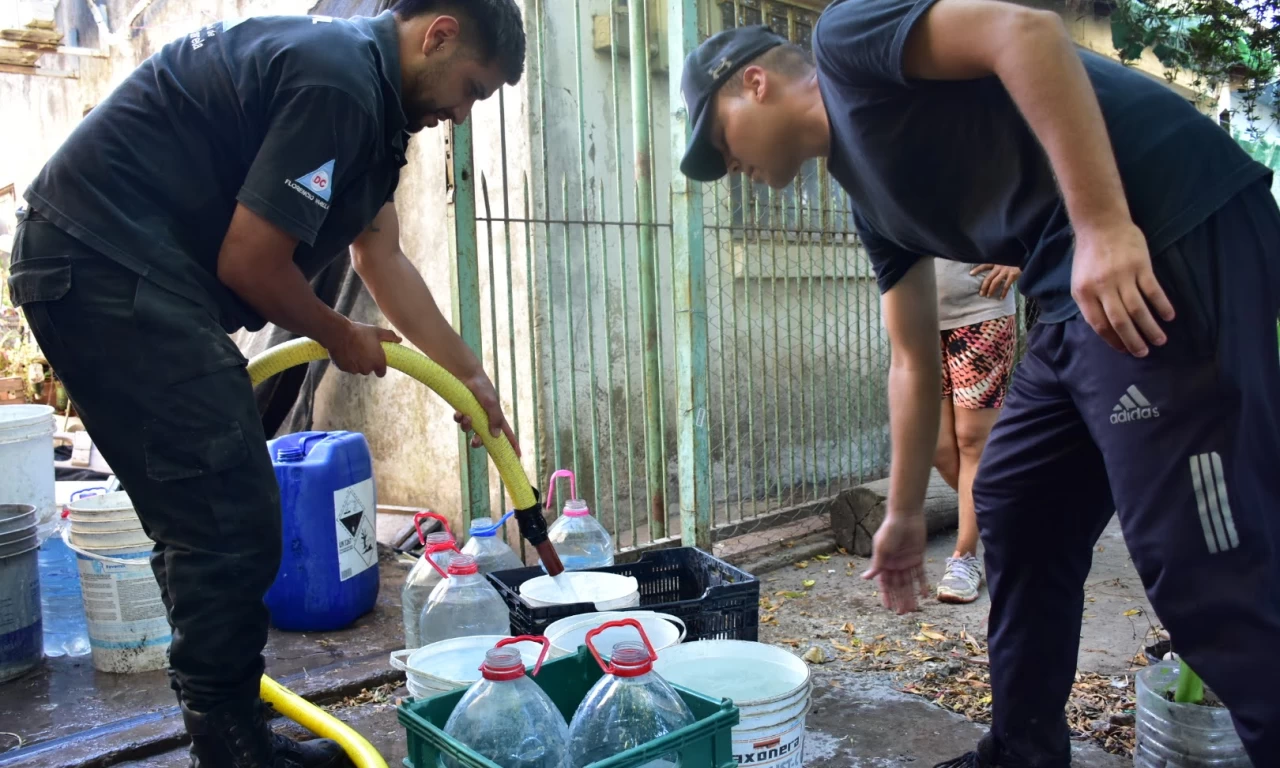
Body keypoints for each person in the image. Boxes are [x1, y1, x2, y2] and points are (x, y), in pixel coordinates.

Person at [675, 0, 1280, 764]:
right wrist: (899, 516)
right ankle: (1022, 750)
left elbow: (1024, 33)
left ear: (755, 83)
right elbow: (910, 359)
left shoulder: (847, 43)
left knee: (1204, 563)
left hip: (1170, 226)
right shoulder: (872, 201)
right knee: (1015, 497)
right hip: (1070, 292)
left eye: (716, 138)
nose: (726, 164)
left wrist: (1100, 223)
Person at [7, 1, 524, 766]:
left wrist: (469, 376)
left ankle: (232, 724)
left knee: (210, 504)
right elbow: (250, 262)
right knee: (226, 503)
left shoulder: (375, 107)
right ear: (438, 34)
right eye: (473, 89)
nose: (461, 113)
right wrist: (338, 333)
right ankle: (230, 745)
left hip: (125, 265)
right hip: (100, 260)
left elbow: (380, 260)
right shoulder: (339, 83)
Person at [931, 260, 1020, 604]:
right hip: (915, 310)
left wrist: (1022, 256)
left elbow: (1045, 206)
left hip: (982, 306)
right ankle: (1013, 513)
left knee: (972, 442)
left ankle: (964, 557)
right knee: (936, 446)